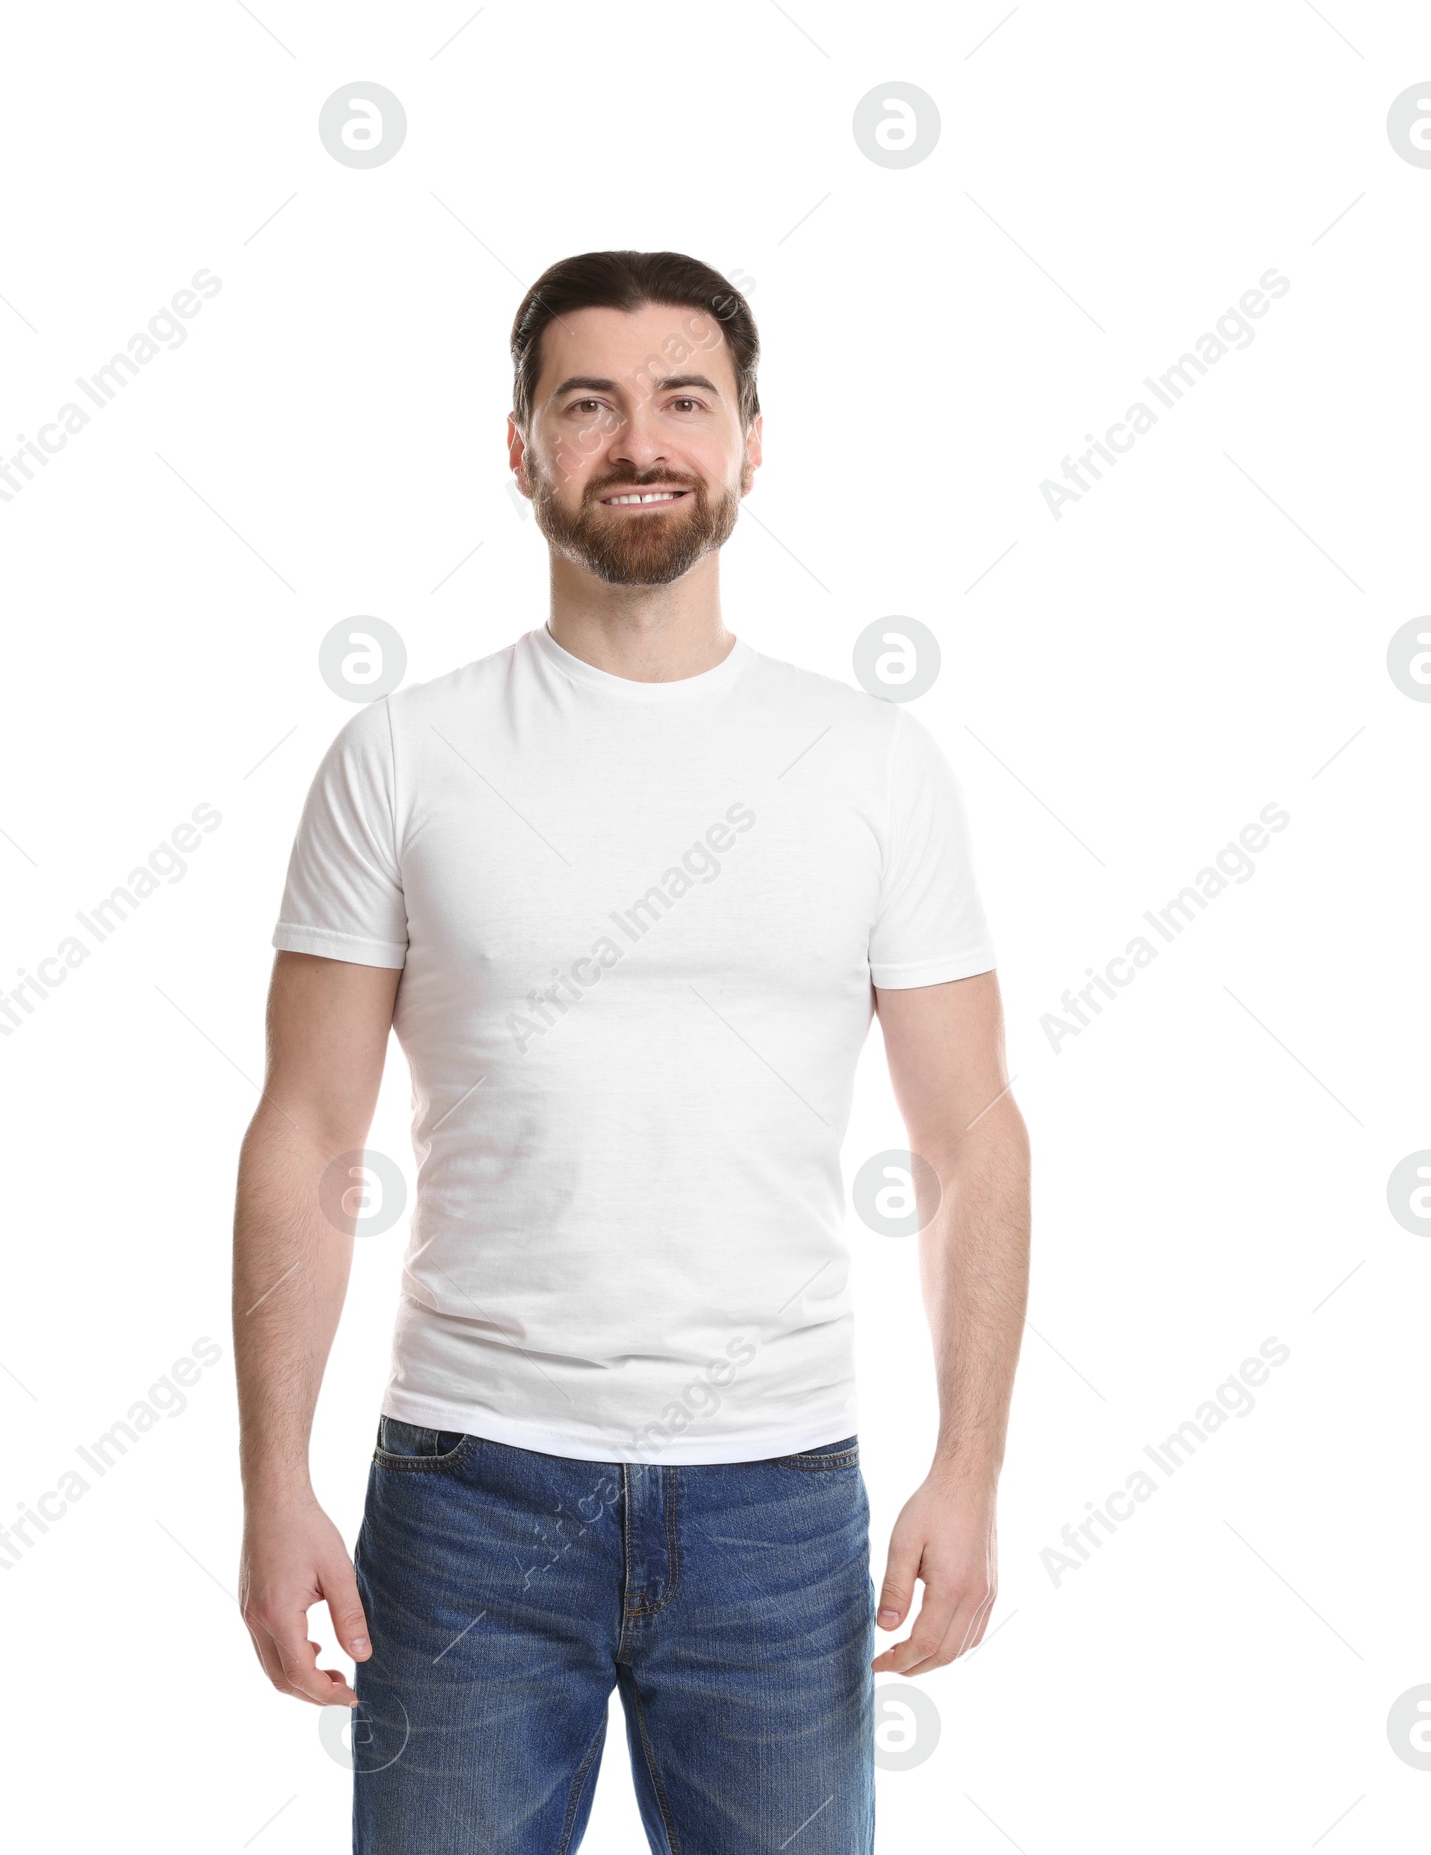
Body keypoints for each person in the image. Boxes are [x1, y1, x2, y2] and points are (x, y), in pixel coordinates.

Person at [234, 249, 1031, 1854]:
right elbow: (307, 1134)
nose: (640, 440)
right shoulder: (402, 756)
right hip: (465, 1492)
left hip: (781, 1496)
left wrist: (968, 1470)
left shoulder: (871, 763)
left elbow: (970, 1144)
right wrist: (273, 1485)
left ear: (750, 442)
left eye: (685, 400)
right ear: (521, 447)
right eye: (587, 403)